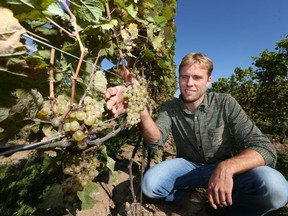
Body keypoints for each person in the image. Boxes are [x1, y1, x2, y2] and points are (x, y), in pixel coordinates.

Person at [105, 52, 288, 215]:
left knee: (276, 188)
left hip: (224, 165)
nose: (189, 83)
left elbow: (264, 148)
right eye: (184, 77)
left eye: (197, 77)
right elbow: (156, 141)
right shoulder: (170, 108)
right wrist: (141, 109)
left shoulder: (225, 103)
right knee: (150, 184)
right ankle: (192, 198)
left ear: (209, 80)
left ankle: (230, 208)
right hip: (188, 167)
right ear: (178, 78)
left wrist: (226, 168)